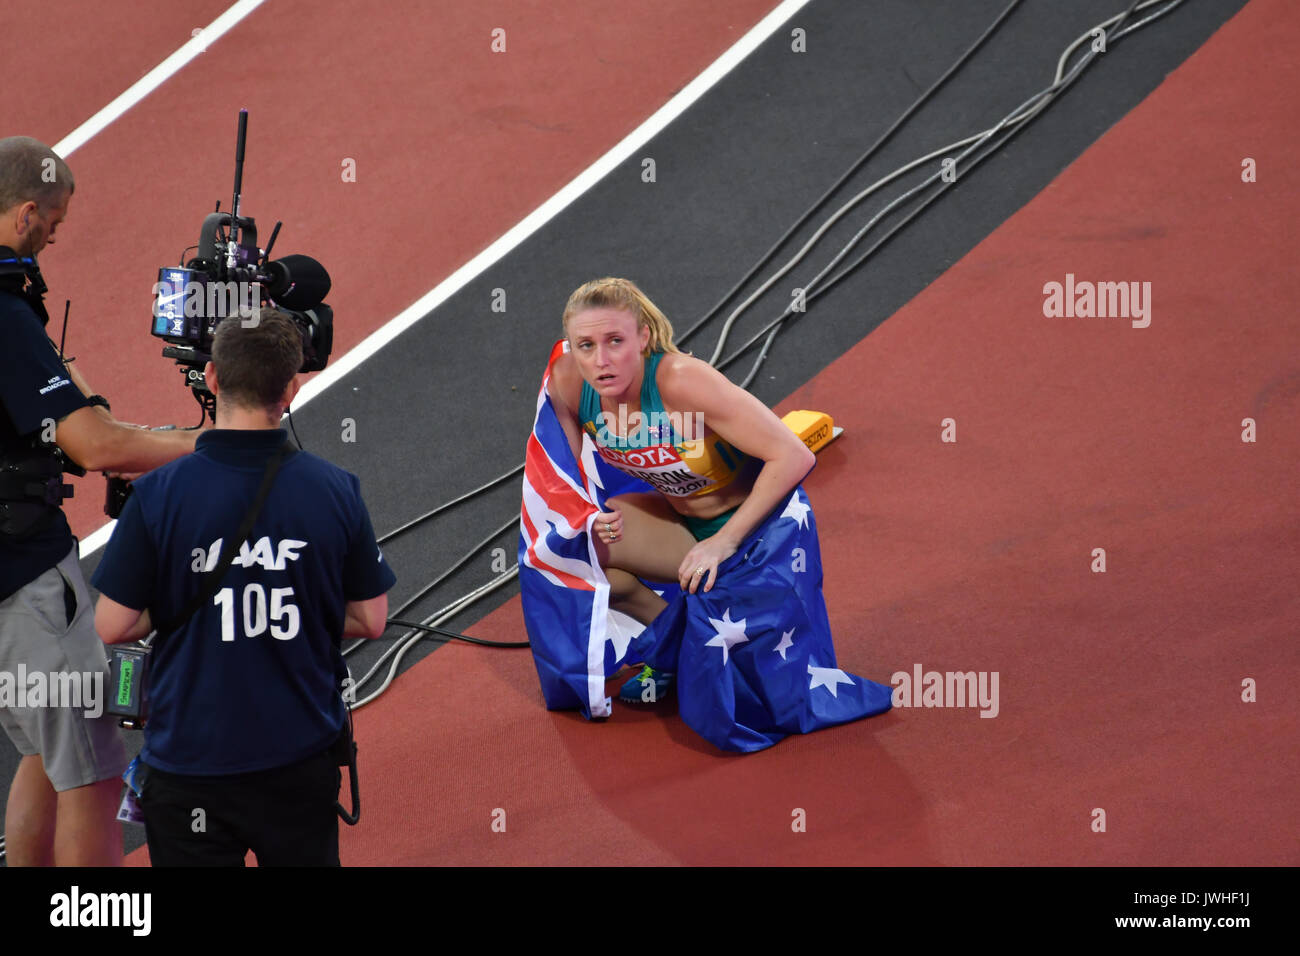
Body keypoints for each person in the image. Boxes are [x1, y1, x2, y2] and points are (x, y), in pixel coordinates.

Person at [535, 277, 892, 751]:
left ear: (642, 337)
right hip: (683, 523)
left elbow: (794, 457)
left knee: (751, 689)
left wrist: (724, 542)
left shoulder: (683, 381)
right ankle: (669, 646)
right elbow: (564, 473)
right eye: (587, 345)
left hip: (760, 528)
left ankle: (693, 636)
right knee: (577, 553)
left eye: (615, 341)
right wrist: (585, 516)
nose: (601, 360)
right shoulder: (568, 385)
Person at [93, 309, 395, 866]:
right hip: (297, 756)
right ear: (291, 389)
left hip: (190, 763)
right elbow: (371, 619)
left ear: (211, 377)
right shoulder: (335, 489)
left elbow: (113, 624)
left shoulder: (158, 494)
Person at [0, 136, 203, 866]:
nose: (55, 237)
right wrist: (203, 444)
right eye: (52, 224)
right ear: (25, 214)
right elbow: (95, 446)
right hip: (22, 576)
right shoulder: (5, 312)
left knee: (42, 757)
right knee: (92, 773)